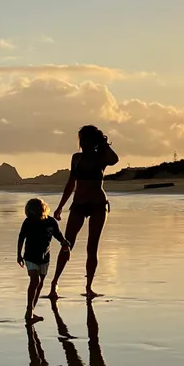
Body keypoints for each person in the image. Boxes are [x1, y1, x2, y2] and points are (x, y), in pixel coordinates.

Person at [47, 125, 119, 299]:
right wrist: (60, 206)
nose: (82, 142)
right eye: (81, 139)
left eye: (84, 139)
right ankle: (54, 284)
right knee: (67, 243)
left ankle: (89, 287)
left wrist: (103, 143)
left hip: (98, 205)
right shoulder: (76, 158)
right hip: (78, 204)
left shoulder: (101, 157)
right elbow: (71, 183)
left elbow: (114, 159)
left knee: (92, 247)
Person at [17, 197, 69, 324]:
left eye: (34, 211)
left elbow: (58, 234)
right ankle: (29, 310)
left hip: (45, 257)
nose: (32, 214)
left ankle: (31, 311)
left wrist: (64, 243)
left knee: (39, 284)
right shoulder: (28, 222)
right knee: (35, 280)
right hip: (30, 256)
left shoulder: (51, 222)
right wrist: (18, 255)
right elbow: (21, 237)